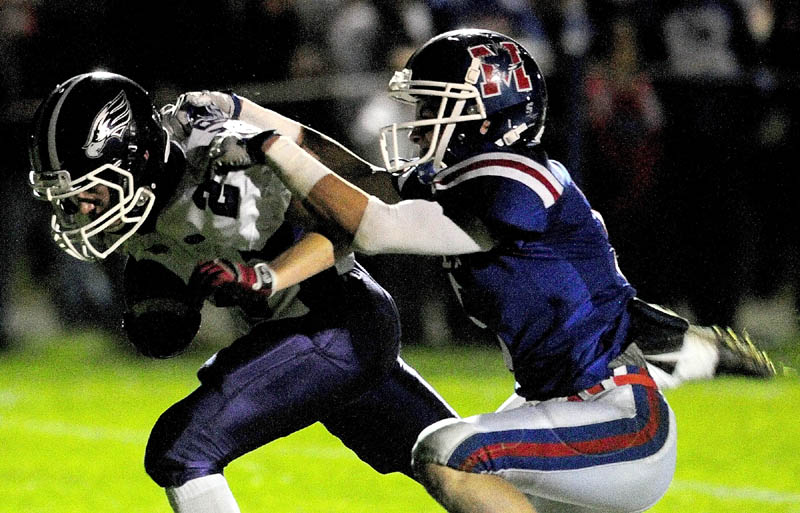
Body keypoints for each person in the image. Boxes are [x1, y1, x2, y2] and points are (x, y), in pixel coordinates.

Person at [194, 29, 782, 512]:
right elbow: (352, 178)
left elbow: (371, 224)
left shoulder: (517, 182)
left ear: (490, 116)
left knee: (448, 450)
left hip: (617, 420)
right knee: (450, 462)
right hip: (561, 404)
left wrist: (272, 148)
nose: (422, 123)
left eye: (436, 107)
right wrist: (242, 114)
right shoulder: (466, 177)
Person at [27, 71, 459, 513]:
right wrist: (163, 306)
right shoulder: (142, 199)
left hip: (336, 328)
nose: (80, 208)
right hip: (313, 340)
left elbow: (350, 221)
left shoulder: (223, 156)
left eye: (89, 189)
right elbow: (164, 283)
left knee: (181, 450)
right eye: (68, 197)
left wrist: (267, 275)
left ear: (136, 158)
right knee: (456, 464)